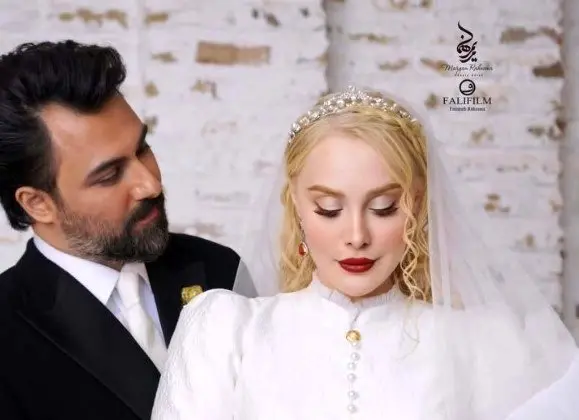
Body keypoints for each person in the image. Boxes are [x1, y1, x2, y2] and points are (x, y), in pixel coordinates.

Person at [151, 86, 578, 419]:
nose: (356, 236)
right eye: (329, 209)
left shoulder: (481, 343)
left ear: (418, 205)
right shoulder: (226, 331)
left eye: (384, 207)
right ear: (296, 205)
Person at [0, 40, 255, 420]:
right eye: (109, 175)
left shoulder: (218, 267)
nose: (150, 184)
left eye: (143, 149)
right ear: (37, 203)